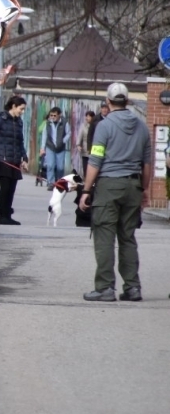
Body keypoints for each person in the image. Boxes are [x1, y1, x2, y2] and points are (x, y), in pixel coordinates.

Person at [78, 83, 153, 302]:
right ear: (127, 101)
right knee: (127, 237)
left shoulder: (104, 126)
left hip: (109, 186)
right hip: (133, 186)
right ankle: (132, 287)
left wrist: (86, 190)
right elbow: (146, 163)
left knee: (104, 236)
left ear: (108, 102)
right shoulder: (141, 127)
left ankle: (105, 288)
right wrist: (145, 190)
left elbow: (95, 160)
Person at [0, 95, 30, 225]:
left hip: (15, 161)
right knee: (5, 188)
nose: (22, 112)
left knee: (11, 189)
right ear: (13, 106)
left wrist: (24, 158)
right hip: (3, 160)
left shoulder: (19, 122)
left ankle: (7, 215)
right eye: (21, 108)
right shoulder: (1, 119)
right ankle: (1, 216)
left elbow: (20, 142)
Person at [39, 106, 70, 185]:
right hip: (50, 147)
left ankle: (59, 182)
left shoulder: (64, 122)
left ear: (59, 115)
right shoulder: (48, 123)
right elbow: (44, 135)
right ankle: (51, 183)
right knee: (50, 166)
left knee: (60, 167)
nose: (52, 117)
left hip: (60, 148)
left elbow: (69, 133)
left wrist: (63, 141)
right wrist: (42, 148)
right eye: (51, 115)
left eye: (54, 115)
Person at [79, 110, 96, 174]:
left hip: (93, 149)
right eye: (86, 116)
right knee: (85, 167)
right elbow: (80, 136)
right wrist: (78, 145)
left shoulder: (95, 125)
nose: (87, 118)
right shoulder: (83, 126)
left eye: (89, 116)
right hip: (85, 149)